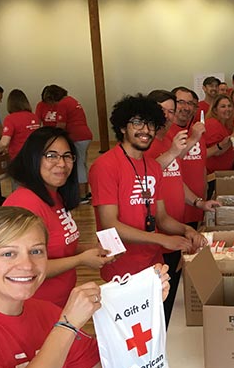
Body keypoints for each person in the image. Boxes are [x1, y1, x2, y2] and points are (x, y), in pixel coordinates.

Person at [0, 206, 171, 368]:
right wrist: (67, 325)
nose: (27, 265)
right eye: (8, 254)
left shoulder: (47, 314)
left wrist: (141, 307)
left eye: (36, 251)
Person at [89, 94, 207, 282]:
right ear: (122, 127)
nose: (145, 130)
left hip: (154, 263)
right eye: (137, 123)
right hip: (121, 268)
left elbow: (162, 218)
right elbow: (110, 224)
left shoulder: (152, 167)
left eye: (151, 124)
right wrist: (162, 239)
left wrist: (186, 230)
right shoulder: (105, 166)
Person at [4, 126, 114, 308]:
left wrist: (91, 249)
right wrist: (81, 259)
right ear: (33, 158)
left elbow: (58, 246)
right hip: (34, 308)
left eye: (67, 156)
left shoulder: (54, 196)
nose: (62, 163)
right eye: (51, 156)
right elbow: (25, 266)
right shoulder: (24, 203)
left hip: (60, 304)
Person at [146, 89, 218, 323]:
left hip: (176, 228)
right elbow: (148, 173)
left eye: (171, 111)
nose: (167, 116)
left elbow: (176, 179)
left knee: (174, 292)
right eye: (163, 111)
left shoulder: (168, 140)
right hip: (160, 236)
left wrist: (199, 202)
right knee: (161, 299)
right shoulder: (147, 146)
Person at [42, 85, 93, 204]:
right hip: (85, 135)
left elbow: (61, 126)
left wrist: (52, 138)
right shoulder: (72, 100)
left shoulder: (62, 104)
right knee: (82, 164)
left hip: (77, 137)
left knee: (78, 165)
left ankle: (82, 195)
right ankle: (85, 192)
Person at [169, 86, 208, 227]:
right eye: (181, 102)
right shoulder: (164, 133)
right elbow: (169, 162)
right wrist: (193, 138)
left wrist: (203, 201)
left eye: (190, 103)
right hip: (173, 210)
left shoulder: (196, 130)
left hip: (196, 205)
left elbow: (202, 167)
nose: (186, 107)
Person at [0, 89, 41, 161]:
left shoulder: (10, 118)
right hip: (35, 155)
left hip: (18, 158)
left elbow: (4, 142)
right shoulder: (34, 117)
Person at [204, 94, 234, 175]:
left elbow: (232, 146)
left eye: (229, 106)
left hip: (226, 173)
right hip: (214, 175)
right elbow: (216, 151)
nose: (227, 109)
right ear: (215, 110)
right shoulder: (212, 124)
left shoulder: (226, 125)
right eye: (223, 106)